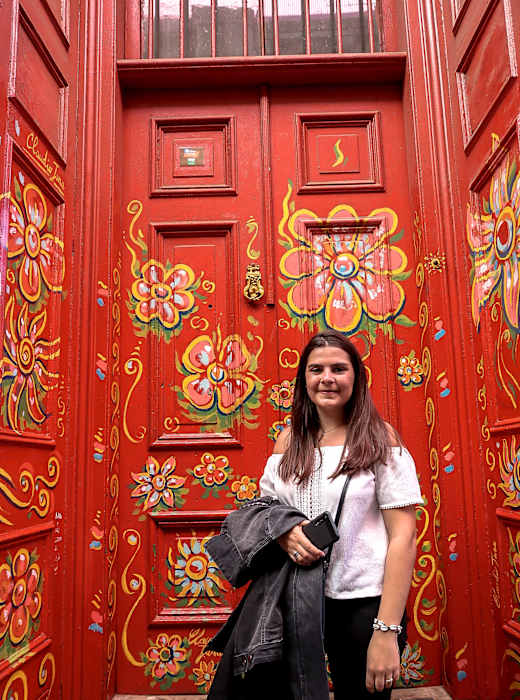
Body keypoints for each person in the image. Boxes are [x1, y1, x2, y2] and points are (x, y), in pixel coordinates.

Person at [259, 330, 423, 698]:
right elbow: (267, 513)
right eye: (316, 369)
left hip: (363, 606)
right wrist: (285, 535)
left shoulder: (381, 439)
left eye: (338, 368)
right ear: (304, 379)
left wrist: (386, 631)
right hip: (297, 601)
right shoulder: (287, 442)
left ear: (356, 377)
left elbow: (403, 538)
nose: (327, 378)